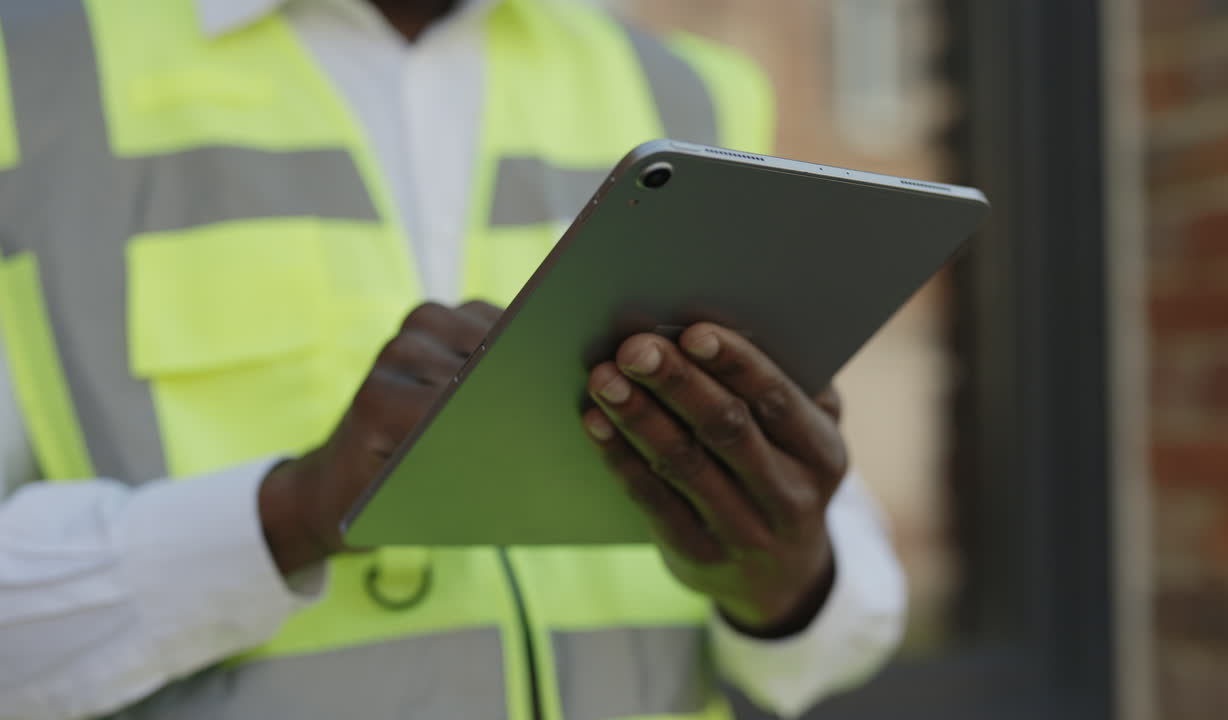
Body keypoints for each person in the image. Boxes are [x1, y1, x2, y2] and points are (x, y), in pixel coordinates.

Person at [0, 0, 906, 718]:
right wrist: (288, 514)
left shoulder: (690, 94)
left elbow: (847, 629)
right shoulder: (29, 81)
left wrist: (786, 580)